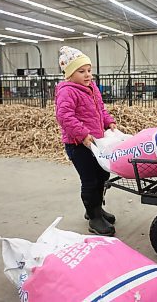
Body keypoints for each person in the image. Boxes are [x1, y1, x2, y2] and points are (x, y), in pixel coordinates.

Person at [55, 46, 117, 236]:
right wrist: (82, 134)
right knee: (90, 180)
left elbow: (100, 109)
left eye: (89, 70)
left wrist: (109, 122)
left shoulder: (92, 88)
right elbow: (64, 116)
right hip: (78, 145)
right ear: (69, 74)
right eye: (81, 71)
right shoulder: (67, 91)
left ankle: (96, 209)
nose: (87, 75)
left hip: (95, 142)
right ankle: (94, 217)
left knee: (102, 176)